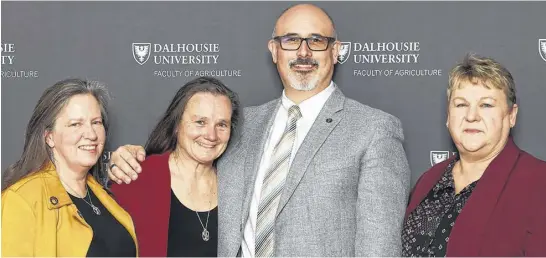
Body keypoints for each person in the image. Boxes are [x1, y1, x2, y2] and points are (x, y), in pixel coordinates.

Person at [109, 4, 410, 257]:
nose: (303, 52)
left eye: (316, 40)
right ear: (274, 50)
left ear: (336, 51)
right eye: (291, 40)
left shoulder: (374, 130)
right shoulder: (242, 126)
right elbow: (189, 159)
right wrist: (132, 157)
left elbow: (378, 246)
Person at [402, 54, 546, 256]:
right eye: (461, 105)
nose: (471, 116)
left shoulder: (539, 182)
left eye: (486, 105)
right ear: (448, 116)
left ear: (511, 115)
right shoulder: (429, 180)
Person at [1, 78, 137, 257]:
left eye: (96, 122)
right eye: (75, 124)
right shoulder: (21, 200)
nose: (91, 134)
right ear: (49, 137)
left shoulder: (106, 198)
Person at [109, 76, 240, 257]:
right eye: (200, 122)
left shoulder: (238, 188)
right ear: (177, 125)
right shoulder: (137, 177)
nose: (211, 135)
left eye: (222, 125)